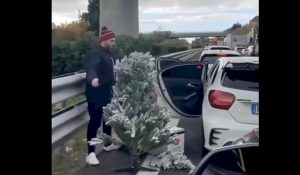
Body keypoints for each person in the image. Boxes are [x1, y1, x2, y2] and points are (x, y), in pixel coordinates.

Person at [83, 26, 121, 165]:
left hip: (109, 93)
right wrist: (93, 79)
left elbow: (120, 67)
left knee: (107, 119)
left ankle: (107, 144)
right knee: (95, 121)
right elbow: (91, 68)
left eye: (114, 40)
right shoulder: (95, 53)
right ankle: (90, 153)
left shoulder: (111, 54)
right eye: (112, 40)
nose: (113, 43)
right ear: (104, 40)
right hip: (96, 94)